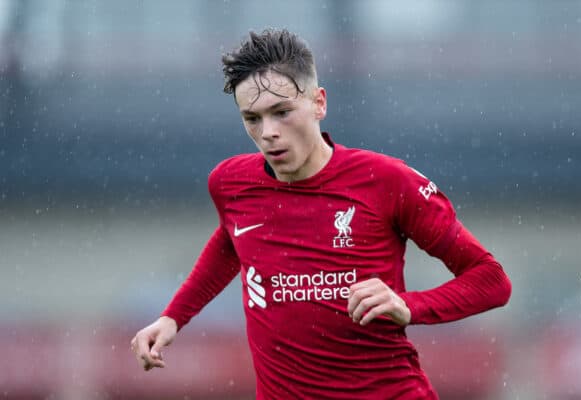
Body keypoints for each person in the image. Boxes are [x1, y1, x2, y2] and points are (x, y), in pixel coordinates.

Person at [131, 28, 512, 399]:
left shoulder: (387, 181)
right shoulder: (230, 184)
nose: (268, 132)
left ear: (319, 103)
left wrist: (409, 306)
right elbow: (232, 241)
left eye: (282, 112)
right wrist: (173, 317)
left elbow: (491, 281)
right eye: (253, 118)